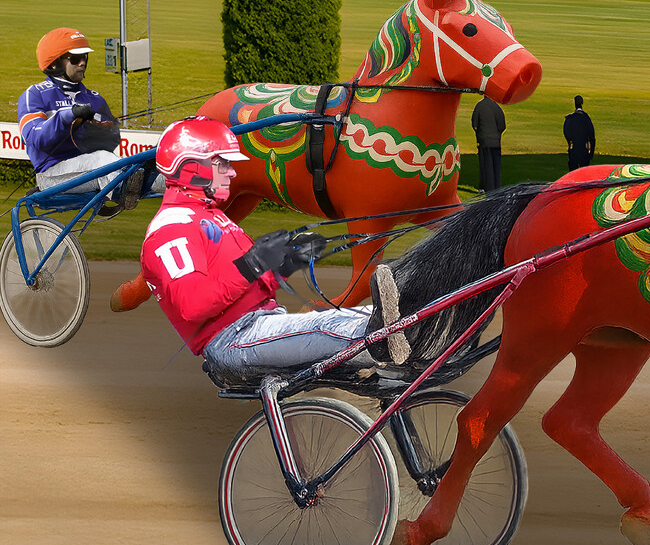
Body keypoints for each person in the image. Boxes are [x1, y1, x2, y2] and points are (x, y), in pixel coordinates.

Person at [138, 116, 409, 382]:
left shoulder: (213, 218)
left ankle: (408, 338)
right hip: (233, 339)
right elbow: (193, 305)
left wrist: (285, 263)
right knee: (333, 326)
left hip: (258, 325)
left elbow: (248, 285)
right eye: (223, 164)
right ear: (192, 168)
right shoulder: (170, 228)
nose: (232, 172)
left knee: (369, 313)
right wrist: (253, 264)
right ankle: (398, 344)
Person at [17, 28, 148, 210]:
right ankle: (121, 190)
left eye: (85, 57)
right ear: (54, 63)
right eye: (75, 59)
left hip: (91, 170)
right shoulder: (35, 94)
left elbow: (110, 142)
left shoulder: (94, 98)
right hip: (53, 174)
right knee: (102, 160)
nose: (82, 63)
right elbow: (34, 137)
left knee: (140, 163)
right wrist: (68, 115)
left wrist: (100, 129)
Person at [470, 94, 506, 192]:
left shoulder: (479, 106)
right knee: (496, 166)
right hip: (496, 141)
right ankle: (497, 188)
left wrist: (480, 134)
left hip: (484, 141)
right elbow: (502, 125)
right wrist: (497, 135)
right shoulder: (497, 107)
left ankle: (488, 188)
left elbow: (474, 124)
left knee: (486, 166)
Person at [563, 94, 595, 170]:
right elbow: (591, 136)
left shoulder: (570, 118)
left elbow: (566, 132)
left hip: (574, 149)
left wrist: (569, 143)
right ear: (582, 103)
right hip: (584, 150)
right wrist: (591, 151)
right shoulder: (586, 118)